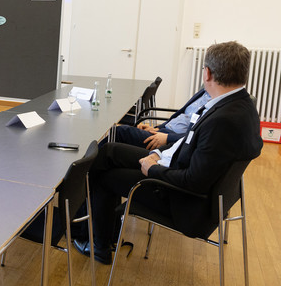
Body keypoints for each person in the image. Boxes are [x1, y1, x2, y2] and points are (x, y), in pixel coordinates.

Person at [73, 41, 263, 264]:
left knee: (105, 177)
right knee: (109, 152)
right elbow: (192, 144)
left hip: (182, 200)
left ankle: (97, 244)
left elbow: (194, 182)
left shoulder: (223, 120)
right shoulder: (240, 105)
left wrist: (153, 169)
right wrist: (160, 155)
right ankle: (93, 227)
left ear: (207, 73)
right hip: (178, 169)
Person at [109, 88, 211, 150]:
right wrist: (157, 128)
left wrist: (167, 138)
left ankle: (92, 161)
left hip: (171, 141)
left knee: (120, 131)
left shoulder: (215, 105)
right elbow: (180, 115)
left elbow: (197, 136)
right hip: (164, 131)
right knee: (118, 136)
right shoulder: (204, 92)